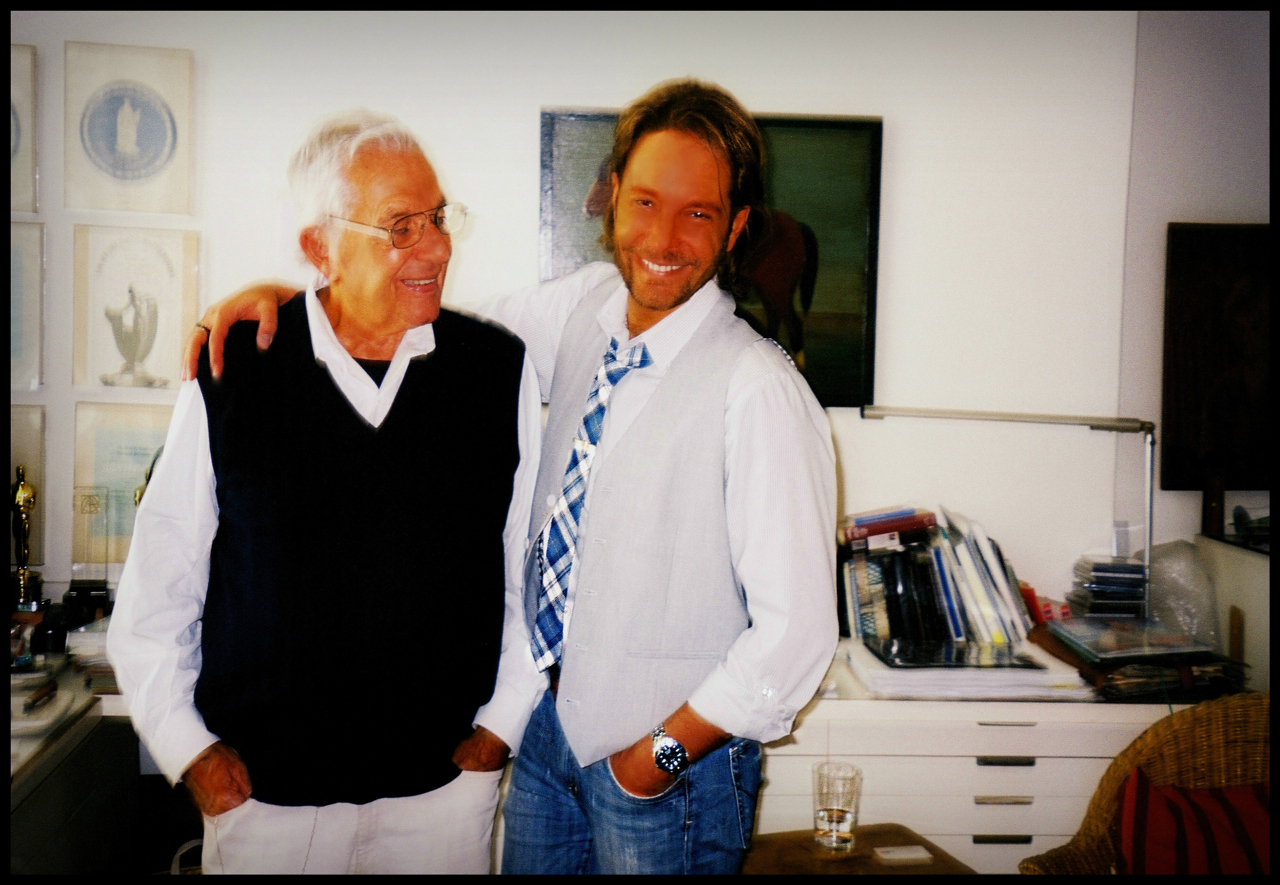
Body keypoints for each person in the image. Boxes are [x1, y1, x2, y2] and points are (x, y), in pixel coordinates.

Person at [187, 79, 838, 875]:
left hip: (666, 773)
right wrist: (297, 301)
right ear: (612, 206)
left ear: (734, 227)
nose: (662, 235)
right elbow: (405, 313)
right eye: (642, 202)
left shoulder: (759, 387)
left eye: (697, 212)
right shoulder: (582, 312)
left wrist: (652, 763)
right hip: (546, 749)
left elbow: (795, 638)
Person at [108, 109, 545, 874]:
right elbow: (158, 588)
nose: (437, 247)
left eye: (437, 218)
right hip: (267, 804)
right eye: (400, 226)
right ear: (320, 246)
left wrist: (500, 728)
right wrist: (192, 753)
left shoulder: (496, 371)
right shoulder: (234, 369)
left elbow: (527, 574)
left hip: (441, 797)